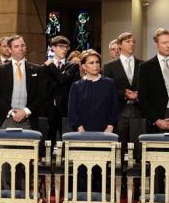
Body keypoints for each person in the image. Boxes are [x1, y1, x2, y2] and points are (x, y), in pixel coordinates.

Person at [103, 31, 143, 161]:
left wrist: (138, 94)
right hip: (119, 112)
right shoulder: (109, 67)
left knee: (139, 149)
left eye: (133, 42)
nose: (132, 44)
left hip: (139, 111)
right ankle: (118, 179)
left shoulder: (143, 65)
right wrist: (123, 93)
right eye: (128, 41)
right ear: (120, 45)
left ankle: (138, 179)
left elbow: (148, 88)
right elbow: (108, 90)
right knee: (118, 149)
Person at [0, 35, 44, 129]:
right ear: (10, 49)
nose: (21, 49)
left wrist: (26, 111)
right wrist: (10, 112)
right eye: (16, 46)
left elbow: (42, 95)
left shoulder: (37, 70)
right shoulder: (0, 70)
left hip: (29, 120)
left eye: (23, 45)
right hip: (5, 119)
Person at [68, 50, 118, 133]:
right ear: (84, 66)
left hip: (106, 131)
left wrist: (110, 126)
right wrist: (79, 128)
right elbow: (72, 110)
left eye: (97, 62)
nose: (96, 65)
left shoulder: (109, 83)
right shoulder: (76, 86)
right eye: (91, 63)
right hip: (82, 132)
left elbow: (115, 107)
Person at [44, 35, 79, 147]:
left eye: (66, 47)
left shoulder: (72, 66)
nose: (64, 49)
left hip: (65, 110)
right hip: (49, 110)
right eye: (61, 46)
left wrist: (51, 66)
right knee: (48, 142)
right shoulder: (44, 67)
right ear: (53, 48)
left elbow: (63, 79)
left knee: (66, 143)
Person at [138, 28, 169, 134]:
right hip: (157, 118)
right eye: (164, 43)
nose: (168, 45)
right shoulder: (145, 67)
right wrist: (155, 120)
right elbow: (143, 97)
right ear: (156, 44)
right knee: (157, 149)